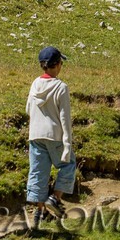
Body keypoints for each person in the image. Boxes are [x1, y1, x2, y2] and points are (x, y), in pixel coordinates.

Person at [25, 45, 75, 223]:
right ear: (58, 64)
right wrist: (67, 143)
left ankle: (39, 212)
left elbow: (28, 108)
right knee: (68, 165)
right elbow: (65, 117)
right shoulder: (61, 87)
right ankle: (55, 198)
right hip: (54, 134)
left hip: (35, 134)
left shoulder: (35, 84)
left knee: (38, 171)